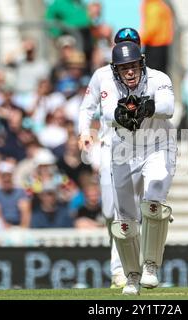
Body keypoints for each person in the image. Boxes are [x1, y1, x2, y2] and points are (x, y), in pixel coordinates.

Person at [104, 41, 176, 295]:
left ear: (141, 63)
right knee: (124, 220)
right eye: (125, 68)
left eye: (134, 66)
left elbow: (168, 108)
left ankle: (151, 266)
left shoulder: (159, 79)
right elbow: (107, 113)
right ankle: (131, 276)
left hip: (158, 146)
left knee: (154, 201)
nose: (130, 72)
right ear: (116, 70)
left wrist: (150, 106)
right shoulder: (109, 84)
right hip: (124, 151)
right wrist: (120, 114)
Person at [78, 27, 142, 290]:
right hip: (108, 147)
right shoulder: (101, 75)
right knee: (108, 211)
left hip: (137, 150)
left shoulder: (148, 77)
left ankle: (121, 270)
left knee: (123, 212)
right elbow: (87, 106)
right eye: (122, 44)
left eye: (131, 44)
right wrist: (84, 131)